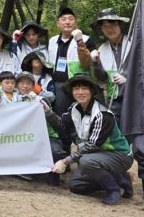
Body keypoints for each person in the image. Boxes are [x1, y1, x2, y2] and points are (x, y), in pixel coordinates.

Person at [91, 7, 144, 201]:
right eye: (104, 25)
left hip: (137, 103)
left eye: (112, 24)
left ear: (119, 25)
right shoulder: (102, 49)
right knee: (116, 144)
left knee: (143, 144)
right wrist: (96, 63)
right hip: (114, 103)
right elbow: (101, 78)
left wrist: (128, 77)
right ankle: (122, 181)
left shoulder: (136, 45)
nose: (109, 28)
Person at [47, 74, 133, 204]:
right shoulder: (74, 109)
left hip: (119, 155)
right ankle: (120, 178)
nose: (80, 92)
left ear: (92, 91)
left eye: (84, 88)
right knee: (76, 186)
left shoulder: (102, 114)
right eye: (76, 89)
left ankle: (113, 189)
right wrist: (48, 112)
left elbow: (92, 145)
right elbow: (62, 126)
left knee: (86, 161)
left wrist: (65, 161)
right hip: (96, 156)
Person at [47, 7, 95, 115]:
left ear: (75, 22)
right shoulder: (52, 41)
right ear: (58, 23)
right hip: (57, 85)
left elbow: (90, 61)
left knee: (80, 114)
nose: (67, 22)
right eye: (63, 19)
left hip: (78, 85)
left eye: (70, 19)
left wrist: (80, 43)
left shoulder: (86, 39)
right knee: (60, 116)